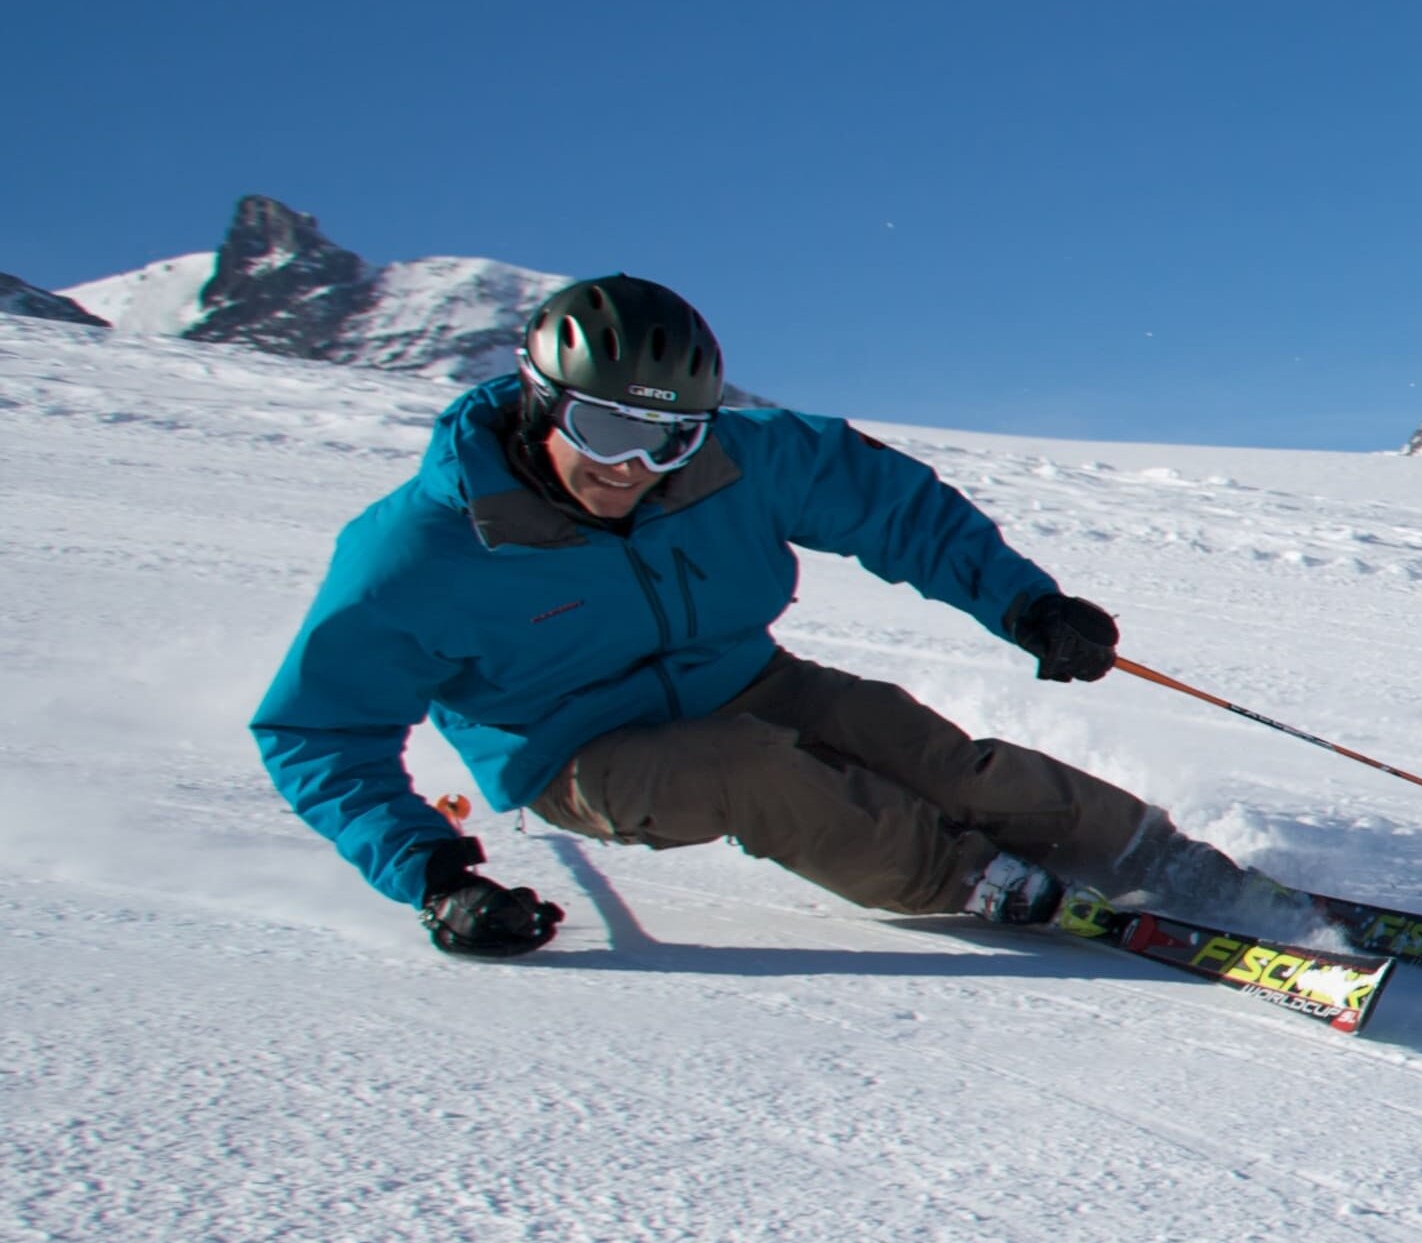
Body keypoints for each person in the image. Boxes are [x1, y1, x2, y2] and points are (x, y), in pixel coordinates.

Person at [254, 274, 1302, 958]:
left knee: (926, 749)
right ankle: (970, 880)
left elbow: (887, 505)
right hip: (575, 751)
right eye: (605, 429)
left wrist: (1024, 603)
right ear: (539, 402)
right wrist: (431, 874)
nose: (634, 467)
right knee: (758, 772)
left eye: (667, 440)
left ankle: (1171, 868)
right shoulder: (420, 552)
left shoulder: (726, 465)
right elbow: (316, 729)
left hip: (739, 675)